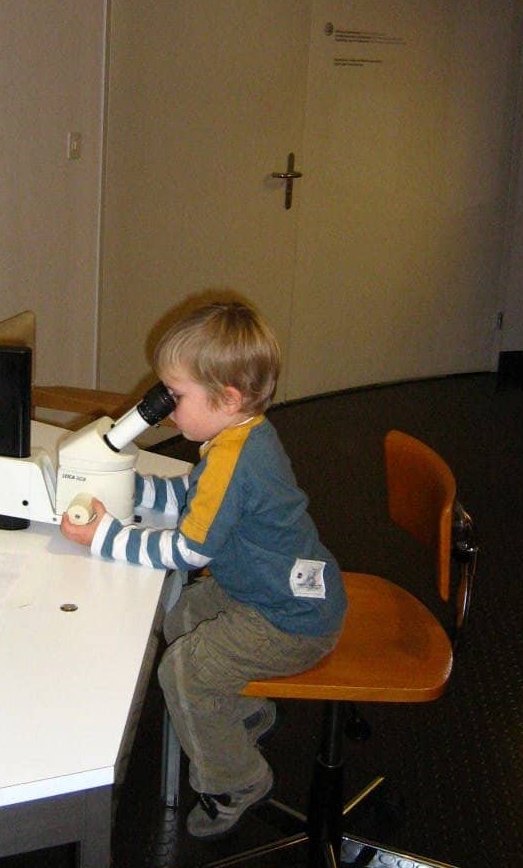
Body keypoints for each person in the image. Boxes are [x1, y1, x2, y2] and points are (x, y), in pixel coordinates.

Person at [60, 300, 347, 839]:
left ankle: (236, 779)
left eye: (177, 394)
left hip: (291, 619)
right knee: (182, 616)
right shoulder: (243, 435)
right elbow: (196, 497)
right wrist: (130, 487)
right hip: (274, 592)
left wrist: (104, 536)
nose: (166, 408)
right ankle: (241, 713)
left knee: (182, 670)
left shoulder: (235, 460)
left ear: (228, 397)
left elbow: (189, 550)